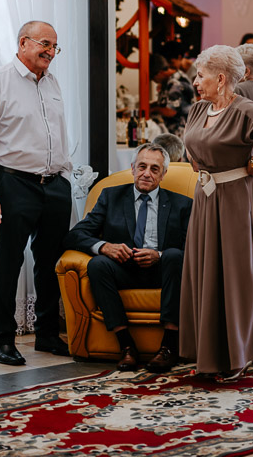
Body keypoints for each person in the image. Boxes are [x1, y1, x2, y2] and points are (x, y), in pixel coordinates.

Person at [179, 45, 253, 380]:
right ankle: (210, 352)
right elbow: (192, 147)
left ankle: (239, 355)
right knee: (206, 272)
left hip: (237, 199)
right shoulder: (198, 109)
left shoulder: (245, 109)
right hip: (206, 198)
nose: (195, 82)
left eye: (200, 75)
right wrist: (199, 162)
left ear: (220, 79)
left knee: (236, 275)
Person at [0, 21, 72, 366]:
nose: (50, 51)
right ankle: (2, 341)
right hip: (13, 184)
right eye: (45, 44)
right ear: (23, 42)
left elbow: (57, 132)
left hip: (54, 185)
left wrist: (65, 175)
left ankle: (47, 334)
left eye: (54, 46)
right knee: (9, 262)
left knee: (50, 262)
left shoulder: (52, 82)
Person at [62, 144, 192, 372]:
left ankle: (169, 346)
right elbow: (75, 235)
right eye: (142, 167)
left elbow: (192, 245)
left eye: (154, 169)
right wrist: (104, 247)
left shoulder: (182, 204)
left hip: (165, 272)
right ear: (132, 168)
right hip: (124, 270)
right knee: (98, 264)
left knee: (174, 255)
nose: (147, 173)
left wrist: (159, 255)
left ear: (163, 174)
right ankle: (127, 346)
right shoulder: (111, 196)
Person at [148, 53, 195, 138]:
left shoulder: (176, 83)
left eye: (152, 78)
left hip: (182, 135)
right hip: (174, 134)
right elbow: (165, 103)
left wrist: (153, 109)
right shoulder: (167, 82)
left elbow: (171, 111)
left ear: (160, 73)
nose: (153, 81)